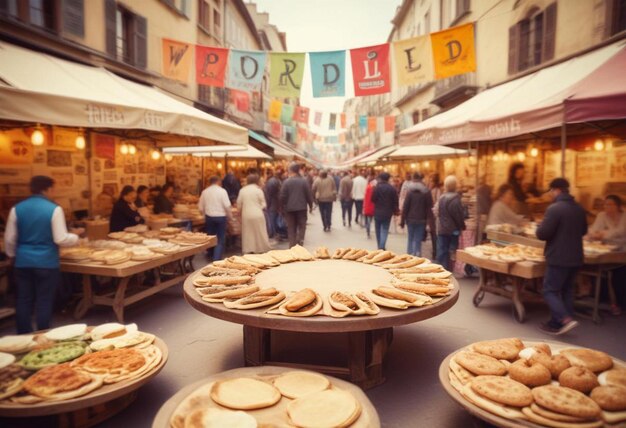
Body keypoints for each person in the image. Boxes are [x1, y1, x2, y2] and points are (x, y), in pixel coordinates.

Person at [4, 176, 81, 333]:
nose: (54, 192)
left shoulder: (16, 209)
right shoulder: (54, 209)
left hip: (23, 261)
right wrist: (76, 236)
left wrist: (12, 255)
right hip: (46, 262)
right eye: (53, 189)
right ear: (47, 189)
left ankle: (23, 335)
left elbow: (10, 238)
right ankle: (43, 333)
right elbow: (60, 238)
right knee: (44, 300)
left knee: (23, 299)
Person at [536, 178, 587, 335]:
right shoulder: (579, 208)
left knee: (550, 290)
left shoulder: (555, 209)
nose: (550, 194)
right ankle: (557, 322)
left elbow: (542, 234)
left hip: (558, 257)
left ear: (556, 190)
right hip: (576, 256)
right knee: (567, 290)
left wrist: (539, 226)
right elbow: (584, 231)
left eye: (551, 191)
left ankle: (565, 319)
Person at [587, 194, 626, 315]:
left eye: (610, 204)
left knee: (619, 276)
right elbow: (593, 230)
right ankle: (600, 299)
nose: (606, 207)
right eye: (605, 204)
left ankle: (621, 303)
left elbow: (621, 232)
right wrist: (594, 234)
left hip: (623, 249)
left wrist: (603, 234)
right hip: (606, 248)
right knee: (597, 269)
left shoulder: (624, 216)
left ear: (618, 206)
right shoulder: (601, 215)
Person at [436, 176, 466, 271]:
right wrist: (462, 226)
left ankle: (442, 269)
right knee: (452, 250)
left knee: (442, 250)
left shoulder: (442, 198)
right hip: (454, 230)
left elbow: (440, 214)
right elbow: (458, 216)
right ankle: (450, 269)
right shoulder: (456, 200)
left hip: (442, 228)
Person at [199, 176, 232, 261]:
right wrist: (230, 216)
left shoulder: (205, 192)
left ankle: (210, 254)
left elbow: (200, 207)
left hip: (209, 217)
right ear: (218, 181)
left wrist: (203, 215)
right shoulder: (222, 191)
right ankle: (216, 258)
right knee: (220, 239)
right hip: (221, 217)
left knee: (211, 237)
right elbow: (227, 206)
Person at [280, 163, 313, 247]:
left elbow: (282, 196)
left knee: (291, 228)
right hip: (302, 208)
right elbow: (308, 194)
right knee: (302, 226)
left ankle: (292, 245)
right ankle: (300, 241)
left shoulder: (286, 182)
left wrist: (282, 208)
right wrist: (310, 205)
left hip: (289, 209)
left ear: (290, 170)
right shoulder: (304, 181)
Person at [400, 173, 433, 257]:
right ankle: (417, 254)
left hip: (410, 219)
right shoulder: (426, 192)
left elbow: (405, 207)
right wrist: (430, 221)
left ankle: (409, 255)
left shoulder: (410, 192)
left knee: (410, 238)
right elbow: (429, 207)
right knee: (418, 239)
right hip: (422, 219)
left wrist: (402, 221)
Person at [237, 174, 271, 254]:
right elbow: (264, 204)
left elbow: (239, 204)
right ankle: (261, 248)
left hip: (246, 214)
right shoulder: (258, 190)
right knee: (260, 231)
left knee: (248, 232)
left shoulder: (242, 190)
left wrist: (239, 212)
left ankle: (249, 248)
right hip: (258, 213)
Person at [371, 172, 399, 250]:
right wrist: (395, 210)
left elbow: (373, 199)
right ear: (388, 179)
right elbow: (395, 201)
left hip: (378, 212)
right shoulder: (392, 188)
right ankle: (382, 246)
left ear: (380, 178)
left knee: (378, 230)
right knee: (385, 229)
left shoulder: (377, 188)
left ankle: (379, 245)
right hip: (388, 212)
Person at [264, 169, 282, 239]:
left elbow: (269, 195)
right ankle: (275, 233)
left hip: (272, 204)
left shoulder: (270, 182)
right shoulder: (277, 181)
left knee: (271, 220)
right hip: (276, 204)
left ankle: (273, 233)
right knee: (274, 219)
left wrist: (267, 205)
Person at [428, 173, 442, 260]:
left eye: (431, 181)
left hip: (434, 215)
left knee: (434, 234)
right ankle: (435, 252)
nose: (430, 182)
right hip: (433, 214)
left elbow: (437, 203)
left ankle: (435, 252)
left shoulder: (436, 191)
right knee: (433, 234)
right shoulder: (434, 190)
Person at [363, 174, 376, 239]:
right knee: (370, 219)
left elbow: (365, 197)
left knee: (367, 219)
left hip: (367, 206)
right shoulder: (374, 188)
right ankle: (368, 228)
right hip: (372, 206)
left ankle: (367, 228)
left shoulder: (367, 188)